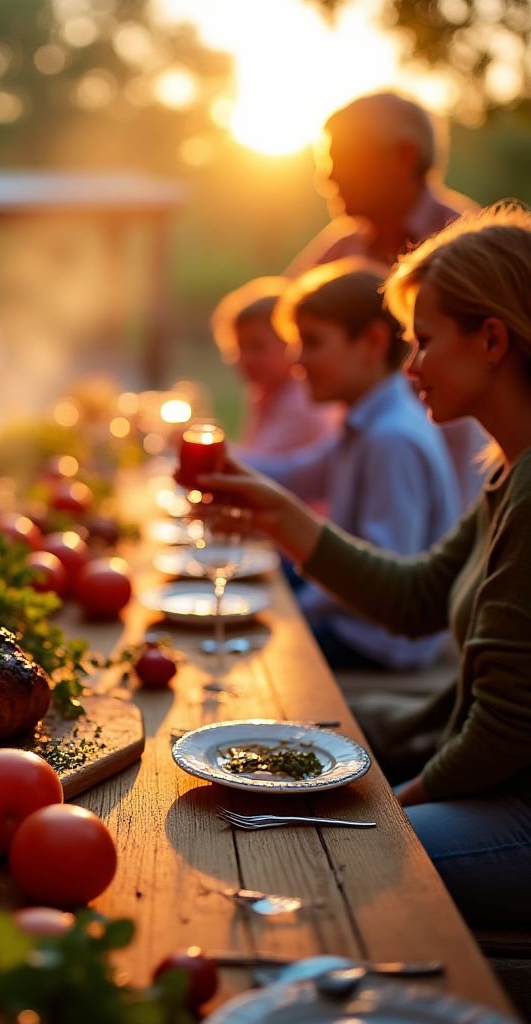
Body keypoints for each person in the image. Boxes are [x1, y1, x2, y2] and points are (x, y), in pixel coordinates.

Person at [202, 203, 531, 927]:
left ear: (493, 341)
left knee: (304, 846)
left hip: (516, 807)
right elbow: (414, 596)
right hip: (481, 766)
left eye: (427, 341)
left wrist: (391, 799)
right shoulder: (508, 472)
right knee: (274, 749)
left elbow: (504, 730)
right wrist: (276, 513)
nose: (412, 365)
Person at [245, 258, 460, 671]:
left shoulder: (391, 438)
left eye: (313, 341)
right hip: (353, 611)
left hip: (378, 639)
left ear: (372, 344)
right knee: (244, 587)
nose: (297, 360)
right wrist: (218, 458)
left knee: (247, 645)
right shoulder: (366, 418)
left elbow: (383, 575)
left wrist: (294, 612)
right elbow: (297, 474)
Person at [286, 90, 487, 509]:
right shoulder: (346, 246)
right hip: (365, 477)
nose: (328, 179)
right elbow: (283, 314)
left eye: (340, 159)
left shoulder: (468, 246)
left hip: (458, 489)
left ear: (402, 158)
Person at [211, 276, 339, 458]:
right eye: (239, 347)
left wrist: (197, 445)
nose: (246, 359)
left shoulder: (304, 403)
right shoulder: (267, 394)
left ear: (291, 342)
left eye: (257, 346)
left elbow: (259, 470)